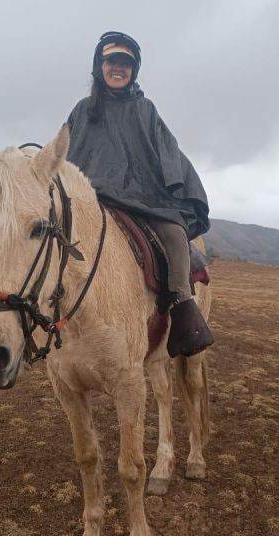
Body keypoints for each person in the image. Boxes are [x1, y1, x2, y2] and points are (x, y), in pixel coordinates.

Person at [65, 31, 214, 357]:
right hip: (92, 201)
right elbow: (66, 155)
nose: (118, 68)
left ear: (134, 69)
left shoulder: (145, 109)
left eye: (126, 63)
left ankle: (182, 306)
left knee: (175, 235)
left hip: (143, 198)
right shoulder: (82, 112)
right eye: (111, 61)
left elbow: (166, 149)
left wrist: (174, 185)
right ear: (99, 65)